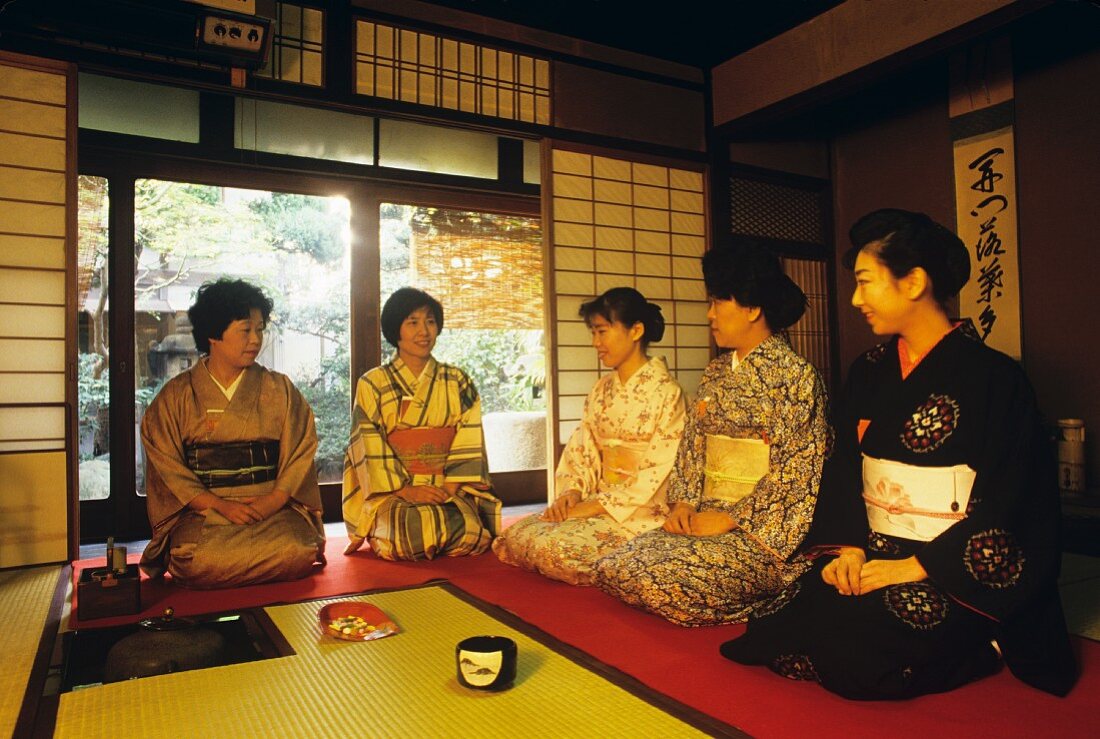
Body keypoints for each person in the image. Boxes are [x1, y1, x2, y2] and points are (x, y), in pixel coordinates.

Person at [721, 209, 1077, 699]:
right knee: (772, 625)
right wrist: (849, 549)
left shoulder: (997, 379)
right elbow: (844, 469)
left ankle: (985, 644)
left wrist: (915, 567)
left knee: (853, 659)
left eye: (866, 283)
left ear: (913, 283)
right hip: (875, 549)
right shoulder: (868, 370)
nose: (855, 299)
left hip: (950, 571)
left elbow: (1014, 500)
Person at [595, 243, 829, 625]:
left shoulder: (797, 378)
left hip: (757, 534)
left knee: (664, 580)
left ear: (753, 308)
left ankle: (775, 589)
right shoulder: (716, 372)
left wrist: (732, 518)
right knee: (613, 565)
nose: (710, 314)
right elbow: (691, 451)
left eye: (719, 302)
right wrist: (685, 505)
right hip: (701, 520)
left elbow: (796, 475)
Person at [139, 278, 326, 589]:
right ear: (214, 334)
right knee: (195, 557)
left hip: (271, 511)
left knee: (296, 550)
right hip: (206, 515)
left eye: (260, 329)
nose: (255, 339)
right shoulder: (178, 395)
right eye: (245, 330)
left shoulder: (279, 389)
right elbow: (167, 465)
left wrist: (272, 501)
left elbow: (300, 452)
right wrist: (220, 505)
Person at [493, 287, 686, 585]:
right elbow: (582, 451)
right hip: (598, 501)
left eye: (602, 332)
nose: (596, 343)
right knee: (516, 535)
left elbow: (659, 470)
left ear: (636, 330)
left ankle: (630, 560)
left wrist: (595, 507)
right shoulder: (601, 389)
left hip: (640, 511)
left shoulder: (668, 393)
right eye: (593, 333)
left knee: (555, 549)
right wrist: (571, 494)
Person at [342, 287, 501, 560]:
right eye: (412, 322)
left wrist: (449, 488)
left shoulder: (456, 380)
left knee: (470, 535)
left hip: (448, 485)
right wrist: (406, 490)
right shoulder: (373, 383)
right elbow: (367, 442)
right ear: (396, 329)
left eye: (430, 321)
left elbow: (469, 435)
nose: (424, 331)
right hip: (397, 490)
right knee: (406, 537)